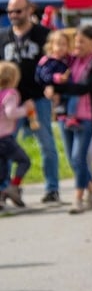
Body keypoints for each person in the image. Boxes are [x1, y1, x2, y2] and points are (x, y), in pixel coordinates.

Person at [0, 0, 61, 204]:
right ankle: (5, 189)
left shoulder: (43, 34)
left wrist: (54, 87)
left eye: (18, 11)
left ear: (29, 10)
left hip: (37, 100)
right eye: (9, 11)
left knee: (46, 144)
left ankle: (52, 188)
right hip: (10, 102)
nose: (13, 15)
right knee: (5, 147)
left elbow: (56, 63)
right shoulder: (2, 36)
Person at [48, 24, 92, 214]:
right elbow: (50, 73)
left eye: (82, 41)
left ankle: (78, 199)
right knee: (72, 160)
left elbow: (86, 87)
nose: (78, 44)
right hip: (65, 115)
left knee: (78, 156)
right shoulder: (69, 61)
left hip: (88, 116)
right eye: (76, 41)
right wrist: (50, 84)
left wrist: (57, 89)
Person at [0, 61, 32, 208]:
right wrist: (25, 109)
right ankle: (13, 187)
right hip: (5, 137)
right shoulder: (11, 94)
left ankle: (2, 194)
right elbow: (11, 113)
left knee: (3, 169)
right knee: (24, 161)